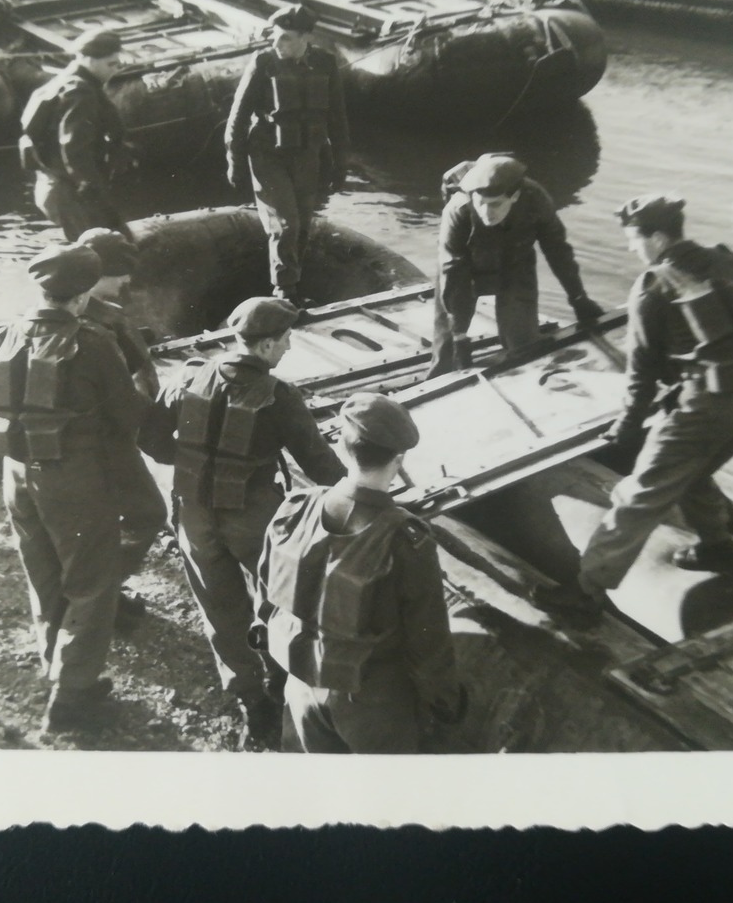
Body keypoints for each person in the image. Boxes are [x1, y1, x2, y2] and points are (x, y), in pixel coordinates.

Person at [534, 195, 733, 627]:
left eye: (635, 239)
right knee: (694, 471)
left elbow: (641, 374)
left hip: (702, 407)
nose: (632, 249)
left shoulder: (652, 286)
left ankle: (586, 591)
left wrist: (625, 429)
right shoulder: (725, 261)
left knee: (639, 494)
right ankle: (717, 545)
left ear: (658, 237)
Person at [139, 296, 347, 750]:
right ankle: (283, 682)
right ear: (268, 345)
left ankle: (253, 702)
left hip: (193, 511)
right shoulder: (279, 396)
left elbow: (150, 439)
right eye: (287, 339)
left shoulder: (188, 375)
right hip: (253, 514)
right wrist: (360, 493)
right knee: (276, 599)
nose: (291, 347)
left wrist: (196, 464)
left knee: (218, 605)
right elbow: (318, 462)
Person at [0, 243, 144, 733]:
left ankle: (57, 662)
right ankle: (72, 698)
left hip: (15, 474)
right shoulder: (91, 343)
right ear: (85, 291)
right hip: (73, 479)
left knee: (44, 573)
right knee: (91, 583)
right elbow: (128, 416)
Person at [256, 393, 466, 753]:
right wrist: (446, 702)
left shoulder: (294, 508)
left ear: (340, 449)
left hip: (300, 683)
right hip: (371, 703)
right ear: (399, 460)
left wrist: (272, 671)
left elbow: (263, 600)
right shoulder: (406, 539)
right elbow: (427, 641)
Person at [426, 152, 604, 378]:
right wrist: (460, 334)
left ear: (515, 196)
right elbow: (453, 269)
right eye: (481, 203)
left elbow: (558, 249)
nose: (487, 213)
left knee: (524, 344)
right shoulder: (458, 209)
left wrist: (578, 297)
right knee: (447, 352)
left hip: (515, 264)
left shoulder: (536, 199)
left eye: (496, 204)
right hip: (465, 268)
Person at [224, 5, 350, 307]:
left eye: (286, 39)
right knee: (285, 223)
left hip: (308, 154)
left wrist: (340, 163)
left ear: (306, 37)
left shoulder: (325, 63)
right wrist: (235, 160)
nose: (277, 45)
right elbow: (238, 117)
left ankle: (293, 282)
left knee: (303, 224)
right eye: (275, 38)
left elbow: (338, 118)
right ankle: (284, 290)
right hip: (268, 154)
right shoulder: (264, 63)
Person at [74, 228, 166, 627]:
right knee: (146, 513)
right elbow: (134, 392)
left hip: (67, 444)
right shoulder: (107, 321)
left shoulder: (58, 307)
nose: (127, 282)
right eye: (120, 273)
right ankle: (101, 597)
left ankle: (93, 591)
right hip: (108, 441)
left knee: (92, 521)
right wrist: (162, 442)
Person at [19, 28, 134, 241]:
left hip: (54, 183)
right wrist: (90, 188)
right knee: (107, 248)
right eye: (111, 64)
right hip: (71, 192)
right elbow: (73, 146)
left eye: (118, 63)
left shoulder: (62, 81)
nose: (116, 70)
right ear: (87, 59)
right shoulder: (81, 92)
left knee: (111, 242)